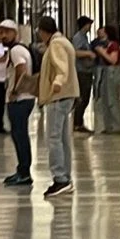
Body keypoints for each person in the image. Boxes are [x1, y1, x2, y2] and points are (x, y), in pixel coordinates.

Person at [37, 16, 80, 197]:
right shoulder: (64, 41)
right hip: (65, 96)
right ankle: (65, 177)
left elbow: (62, 67)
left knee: (53, 138)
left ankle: (60, 178)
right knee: (62, 139)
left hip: (58, 96)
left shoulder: (56, 44)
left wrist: (58, 82)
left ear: (43, 31)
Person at [0, 19, 36, 187]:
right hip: (25, 98)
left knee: (19, 135)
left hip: (20, 99)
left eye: (7, 32)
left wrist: (15, 91)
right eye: (1, 32)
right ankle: (22, 170)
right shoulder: (20, 49)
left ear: (15, 33)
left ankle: (24, 172)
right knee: (20, 135)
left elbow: (20, 69)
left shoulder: (16, 51)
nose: (3, 35)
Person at [95, 25, 120, 135]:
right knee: (105, 99)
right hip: (106, 72)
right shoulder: (107, 44)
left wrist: (102, 52)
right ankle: (109, 125)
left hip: (112, 72)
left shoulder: (114, 45)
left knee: (112, 100)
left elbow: (113, 60)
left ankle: (116, 125)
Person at [71, 16, 95, 134]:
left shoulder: (85, 37)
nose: (90, 27)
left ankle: (79, 122)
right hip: (81, 71)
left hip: (87, 70)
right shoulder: (78, 37)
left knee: (85, 97)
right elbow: (75, 52)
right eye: (89, 24)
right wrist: (88, 53)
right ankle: (77, 123)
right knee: (82, 98)